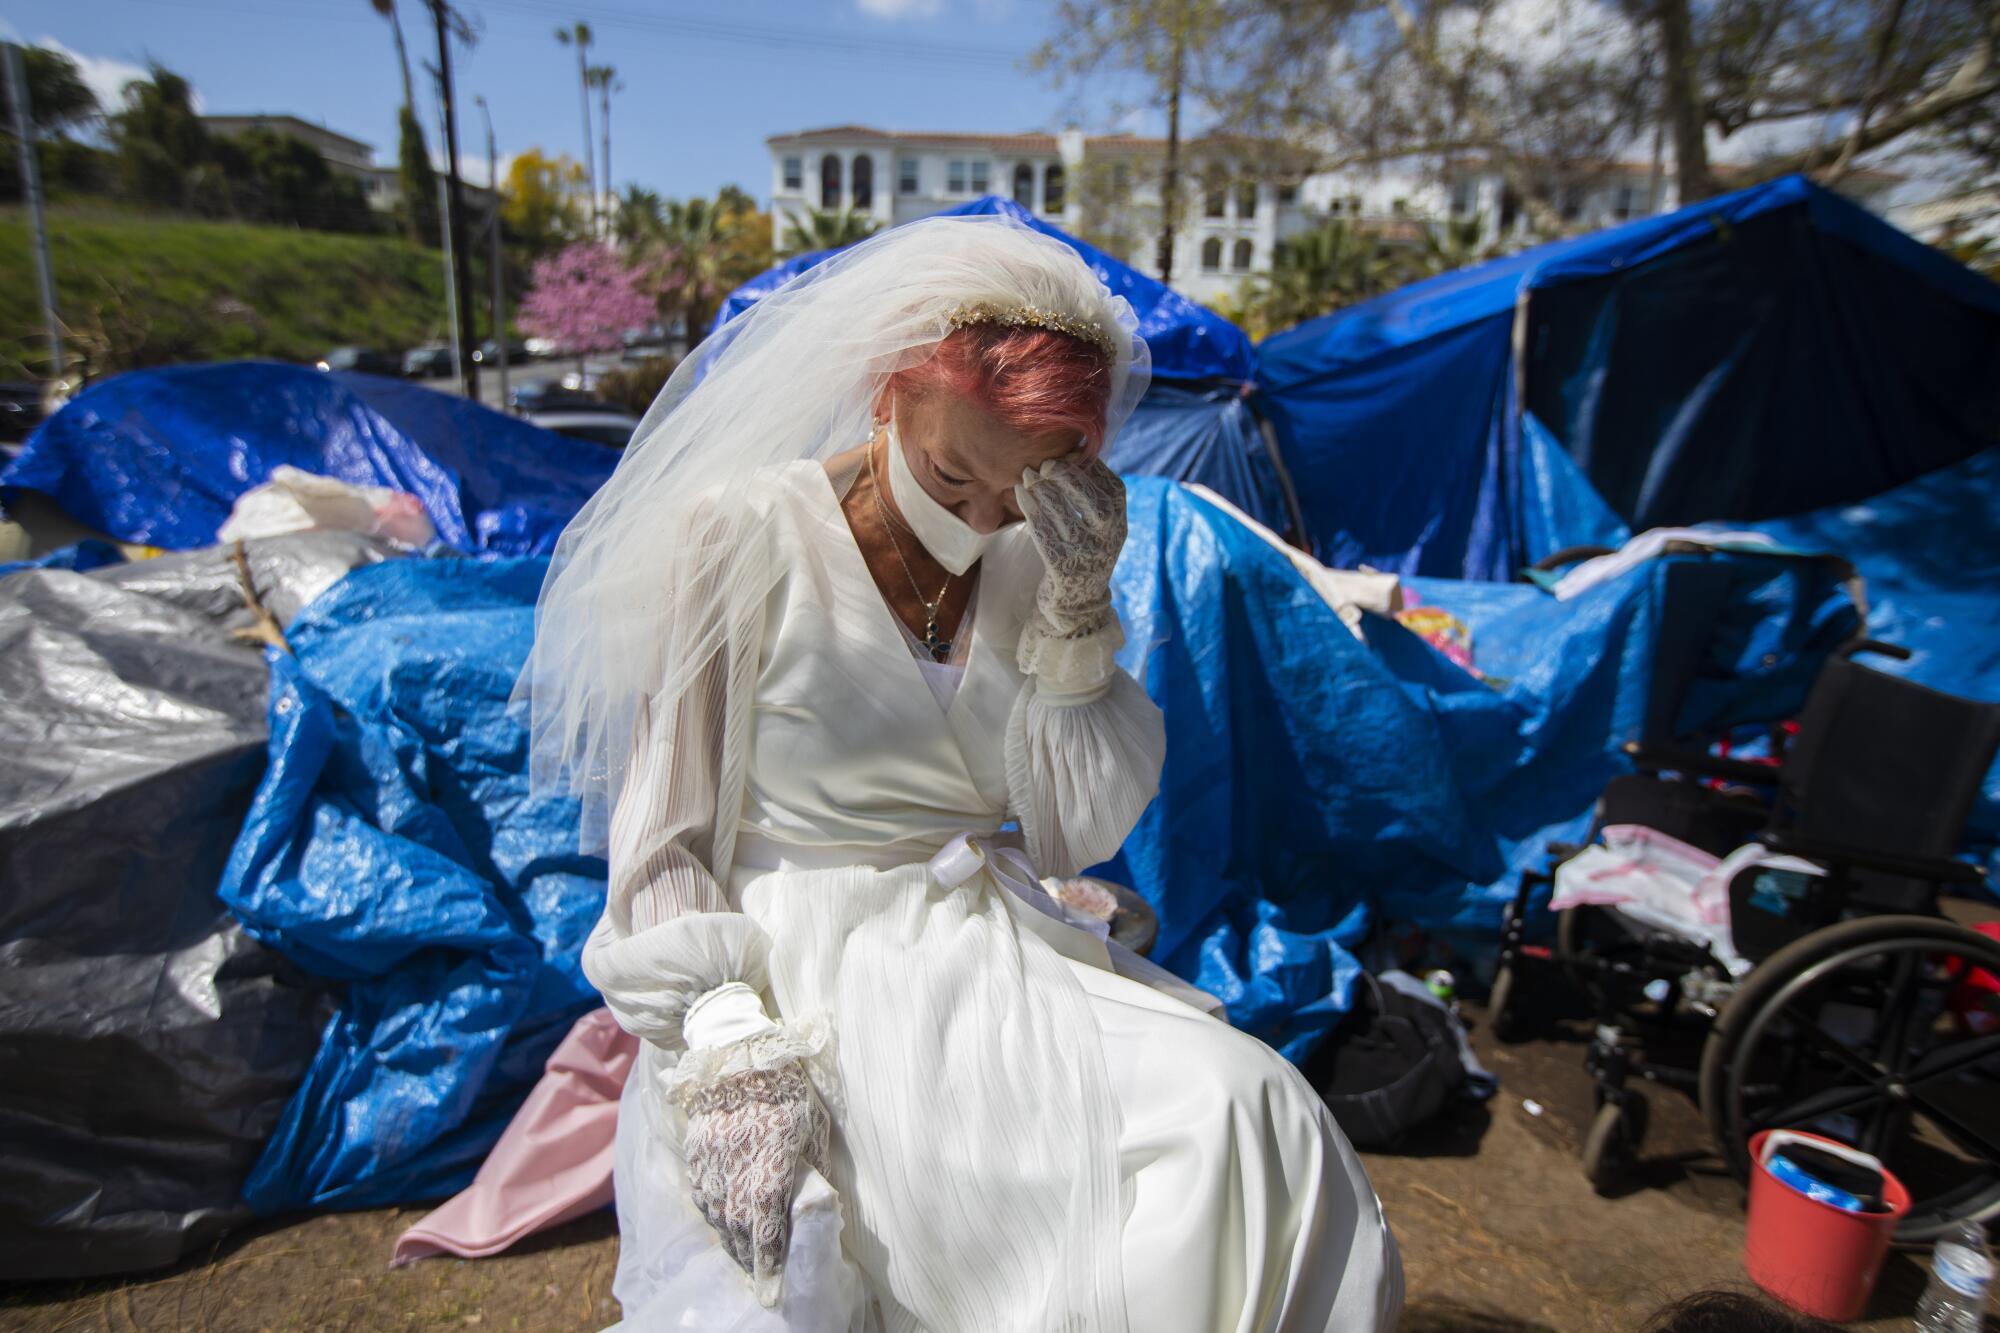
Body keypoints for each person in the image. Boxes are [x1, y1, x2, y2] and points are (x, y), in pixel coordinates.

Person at [518, 214, 1401, 1332]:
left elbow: (1069, 824)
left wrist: (1077, 617)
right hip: (800, 965)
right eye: (950, 476)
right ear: (888, 387)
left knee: (1250, 1111)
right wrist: (727, 1036)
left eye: (1016, 491)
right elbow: (665, 836)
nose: (978, 520)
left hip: (984, 943)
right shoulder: (741, 534)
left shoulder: (1036, 554)